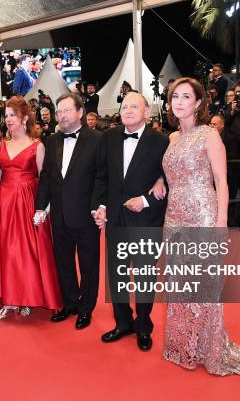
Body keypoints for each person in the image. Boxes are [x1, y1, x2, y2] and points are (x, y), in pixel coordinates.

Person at [161, 77, 240, 375]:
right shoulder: (171, 139)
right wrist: (159, 181)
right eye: (174, 97)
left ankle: (208, 347)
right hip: (174, 216)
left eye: (185, 97)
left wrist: (221, 221)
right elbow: (172, 173)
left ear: (198, 103)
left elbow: (222, 181)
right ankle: (184, 346)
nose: (179, 102)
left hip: (202, 214)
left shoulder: (209, 134)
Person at [92, 91, 169, 351]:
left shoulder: (162, 141)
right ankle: (122, 322)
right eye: (124, 106)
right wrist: (101, 206)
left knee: (146, 275)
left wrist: (146, 201)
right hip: (115, 219)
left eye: (134, 106)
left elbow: (171, 181)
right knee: (118, 274)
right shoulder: (109, 137)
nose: (128, 110)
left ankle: (143, 325)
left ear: (147, 112)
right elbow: (102, 176)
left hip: (146, 219)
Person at [0, 96, 62, 320]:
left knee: (25, 252)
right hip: (3, 202)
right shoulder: (0, 145)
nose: (8, 120)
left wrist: (44, 209)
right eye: (6, 116)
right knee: (2, 249)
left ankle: (27, 298)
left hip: (27, 202)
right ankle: (8, 298)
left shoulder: (38, 146)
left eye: (12, 115)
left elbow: (45, 180)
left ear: (24, 118)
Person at [35, 93, 102, 328]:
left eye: (66, 110)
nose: (61, 116)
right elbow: (46, 178)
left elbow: (102, 179)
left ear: (80, 112)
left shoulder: (97, 139)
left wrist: (99, 208)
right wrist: (39, 207)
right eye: (58, 111)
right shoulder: (51, 141)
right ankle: (70, 302)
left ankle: (86, 308)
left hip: (86, 215)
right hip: (59, 216)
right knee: (62, 263)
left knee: (88, 265)